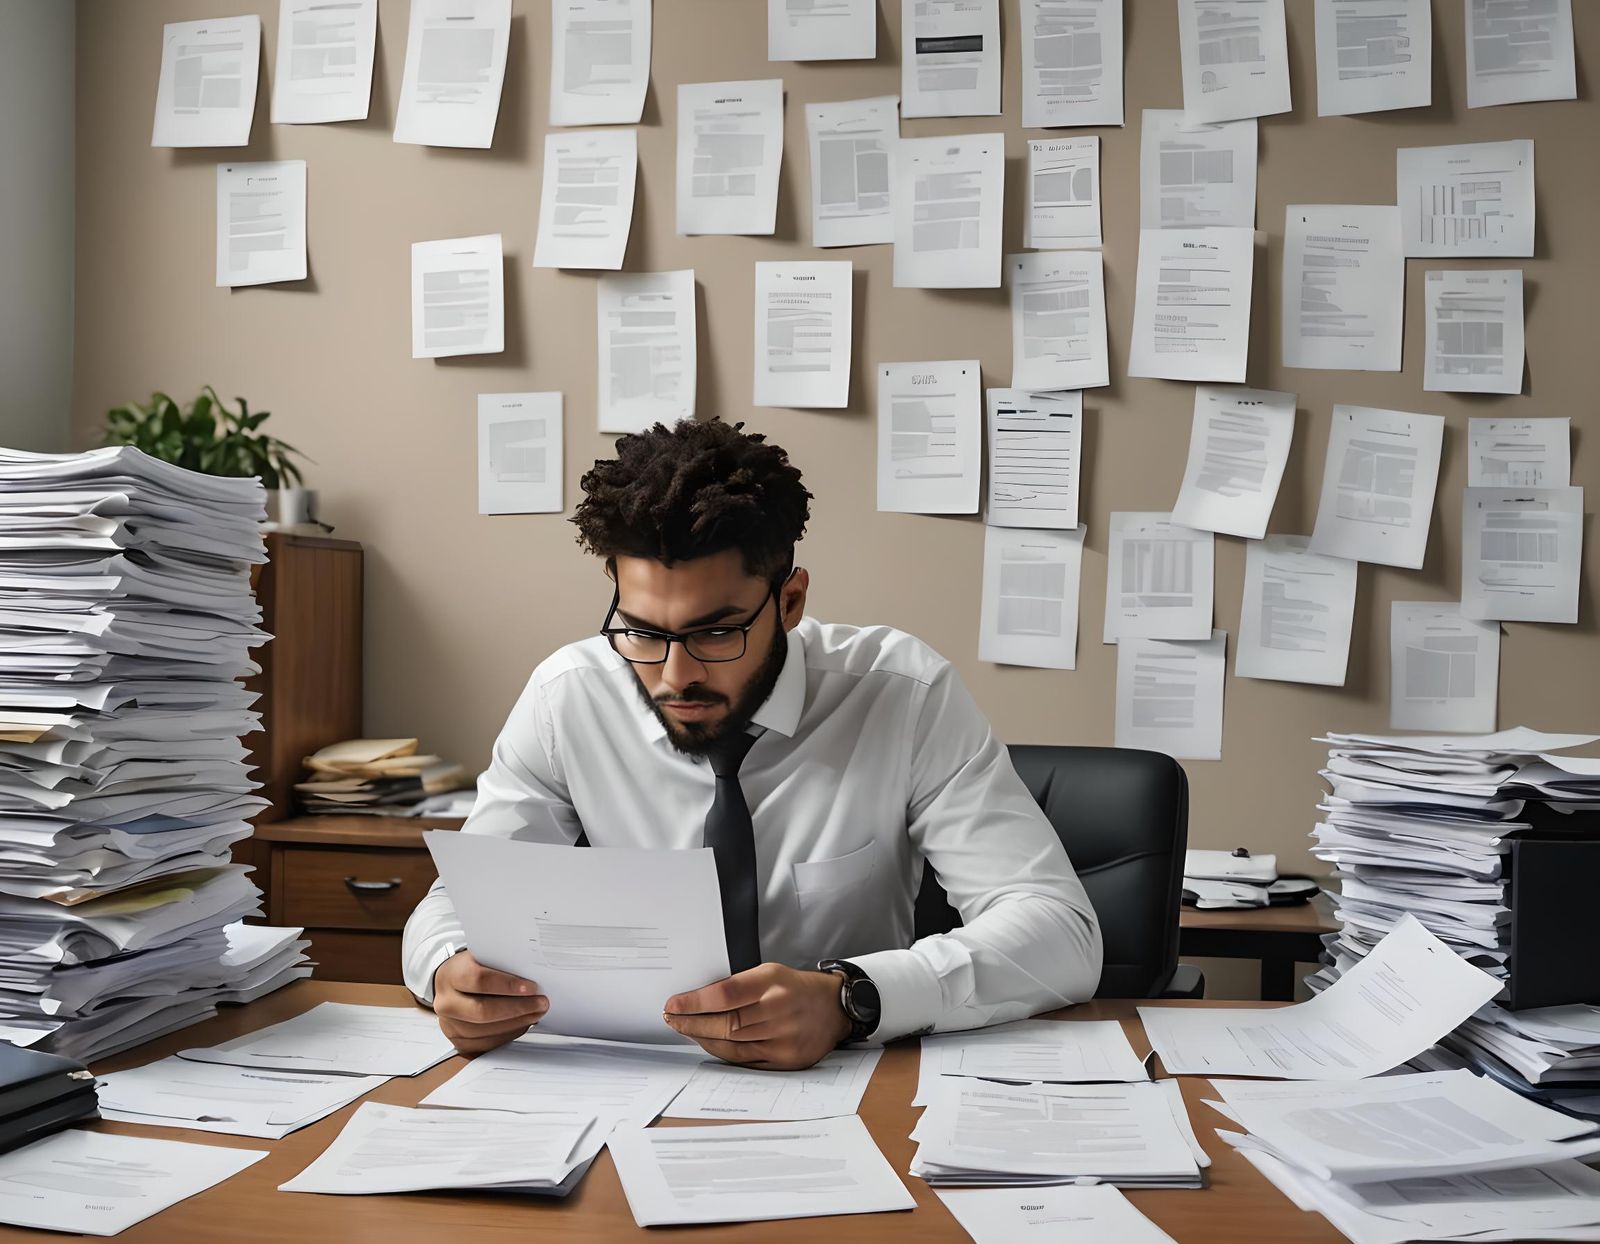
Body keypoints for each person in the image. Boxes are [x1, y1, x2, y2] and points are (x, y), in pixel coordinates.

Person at [402, 418, 1102, 1070]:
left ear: (790, 602)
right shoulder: (567, 698)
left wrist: (851, 998)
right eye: (643, 632)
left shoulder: (903, 696)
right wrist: (449, 970)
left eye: (715, 632)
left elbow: (1060, 932)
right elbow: (456, 905)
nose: (676, 676)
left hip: (850, 1082)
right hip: (627, 1081)